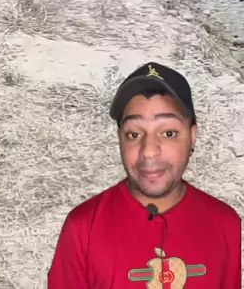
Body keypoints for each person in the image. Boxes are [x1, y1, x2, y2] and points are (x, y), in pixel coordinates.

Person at [48, 61, 242, 288]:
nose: (149, 151)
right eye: (134, 134)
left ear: (192, 137)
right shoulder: (83, 228)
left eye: (168, 133)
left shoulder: (225, 224)